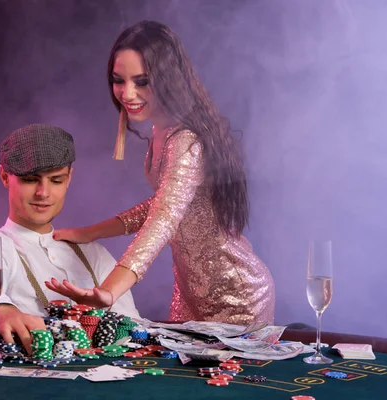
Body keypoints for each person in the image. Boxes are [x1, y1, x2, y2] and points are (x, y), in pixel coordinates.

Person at [45, 21, 275, 326]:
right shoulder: (159, 130)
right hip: (190, 297)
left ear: (168, 79)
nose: (127, 93)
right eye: (118, 80)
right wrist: (89, 233)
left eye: (142, 81)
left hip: (237, 299)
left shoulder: (185, 140)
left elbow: (164, 217)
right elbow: (163, 206)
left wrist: (109, 290)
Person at [0, 123, 140, 353]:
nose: (43, 193)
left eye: (56, 180)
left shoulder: (94, 253)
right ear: (4, 176)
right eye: (31, 180)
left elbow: (132, 327)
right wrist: (1, 309)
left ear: (69, 178)